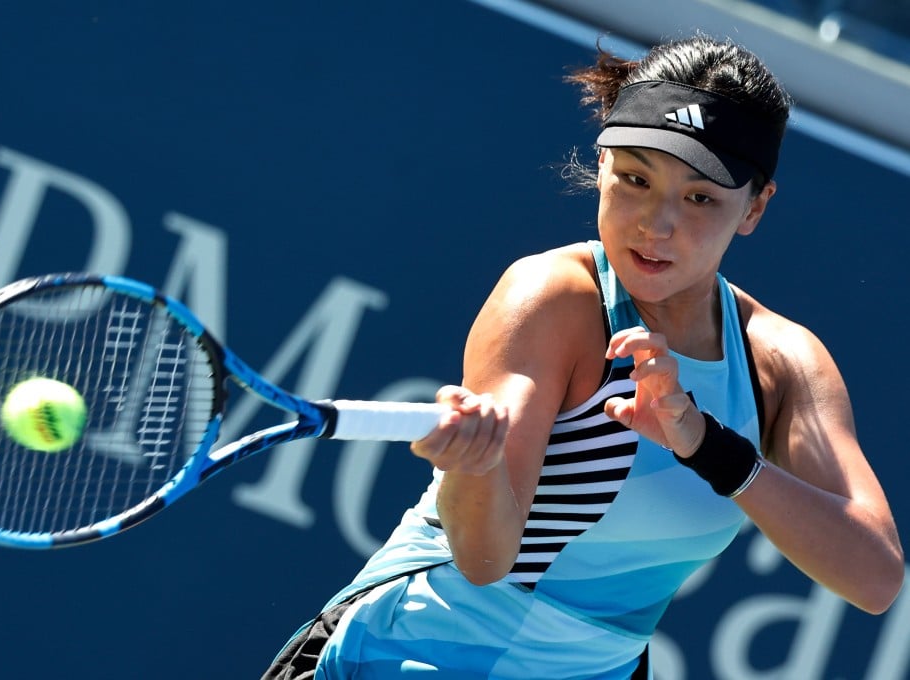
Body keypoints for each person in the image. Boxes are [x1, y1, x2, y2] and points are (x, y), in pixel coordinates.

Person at [262, 34, 904, 679]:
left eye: (700, 198)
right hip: (402, 656)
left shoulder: (782, 361)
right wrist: (475, 465)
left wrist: (707, 445)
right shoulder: (553, 297)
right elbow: (484, 561)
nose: (655, 224)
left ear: (755, 207)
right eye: (635, 179)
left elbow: (875, 577)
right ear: (600, 167)